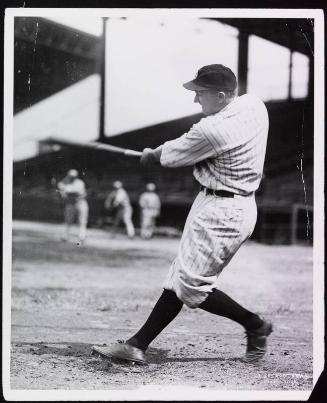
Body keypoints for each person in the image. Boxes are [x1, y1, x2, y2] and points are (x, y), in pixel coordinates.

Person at [93, 64, 272, 364]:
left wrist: (152, 154)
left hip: (222, 210)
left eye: (200, 94)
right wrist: (162, 150)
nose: (195, 101)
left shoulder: (212, 129)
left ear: (220, 95)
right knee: (179, 276)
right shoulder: (254, 104)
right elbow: (186, 147)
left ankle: (255, 325)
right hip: (232, 204)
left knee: (191, 286)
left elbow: (172, 155)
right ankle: (137, 344)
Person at [57, 169, 88, 245]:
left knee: (82, 221)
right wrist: (62, 188)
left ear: (76, 176)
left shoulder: (80, 183)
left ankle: (82, 237)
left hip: (81, 203)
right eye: (70, 176)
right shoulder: (65, 182)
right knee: (68, 221)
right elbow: (61, 191)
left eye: (73, 176)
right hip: (71, 203)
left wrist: (63, 189)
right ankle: (65, 236)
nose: (72, 177)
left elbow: (75, 192)